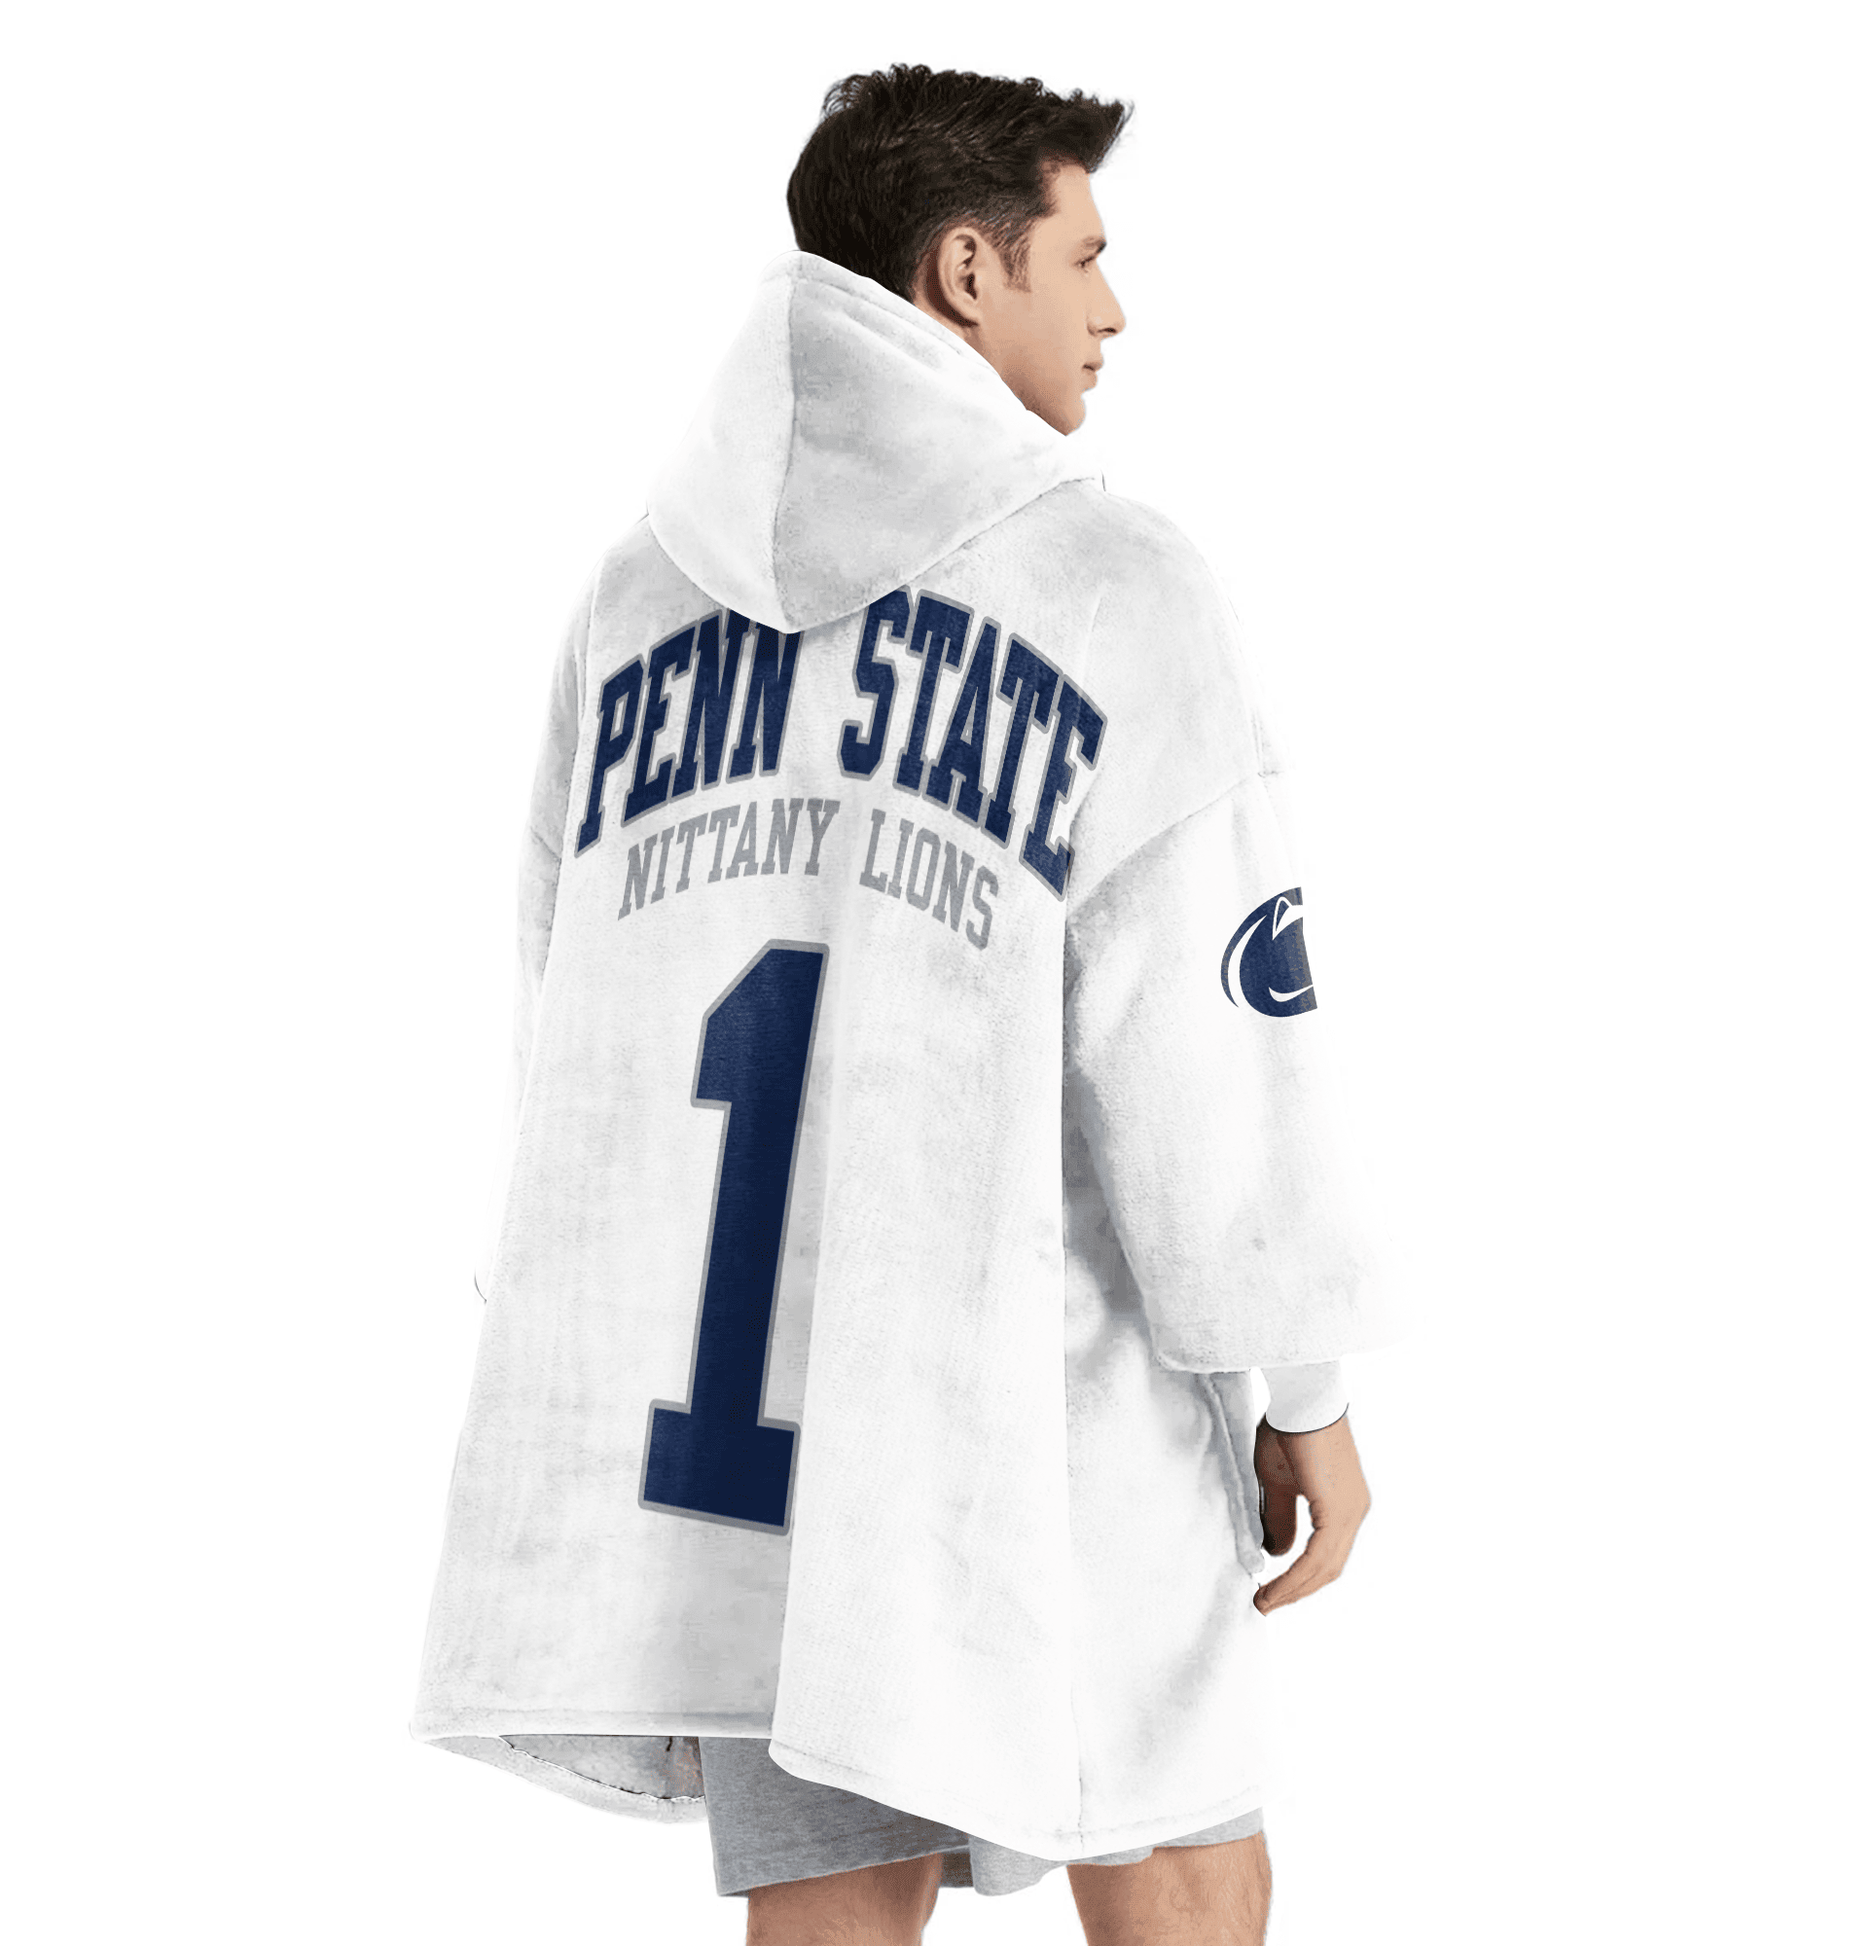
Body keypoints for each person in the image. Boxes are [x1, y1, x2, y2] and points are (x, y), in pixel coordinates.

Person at [410, 62, 1397, 1946]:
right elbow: (1213, 1053)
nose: (1115, 308)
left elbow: (564, 1040)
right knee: (1182, 1862)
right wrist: (1310, 1387)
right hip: (1048, 1394)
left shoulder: (638, 600)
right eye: (1081, 256)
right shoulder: (1110, 582)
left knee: (832, 1902)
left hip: (758, 1434)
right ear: (963, 270)